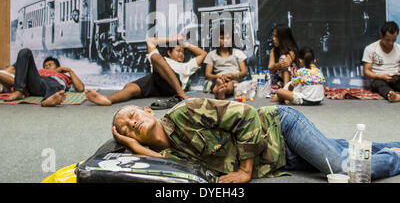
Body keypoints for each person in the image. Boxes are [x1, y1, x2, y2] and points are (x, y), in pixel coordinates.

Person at [111, 98, 400, 183]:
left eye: (133, 113)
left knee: (345, 169)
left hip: (281, 128)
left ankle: (396, 158)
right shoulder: (169, 153)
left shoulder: (185, 112)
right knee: (344, 149)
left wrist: (245, 171)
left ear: (147, 110)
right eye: (126, 127)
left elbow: (247, 114)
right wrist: (137, 148)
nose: (132, 122)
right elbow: (174, 171)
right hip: (281, 158)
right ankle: (392, 147)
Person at [86, 34, 207, 108]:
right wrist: (173, 39)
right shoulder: (163, 60)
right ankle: (108, 99)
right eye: (178, 50)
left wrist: (184, 43)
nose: (181, 54)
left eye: (183, 51)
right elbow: (150, 41)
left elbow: (203, 54)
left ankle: (181, 94)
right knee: (130, 87)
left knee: (155, 57)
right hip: (155, 81)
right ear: (169, 52)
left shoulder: (187, 66)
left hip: (174, 86)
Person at [2, 48, 85, 107]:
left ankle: (47, 100)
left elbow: (81, 88)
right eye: (45, 65)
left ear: (58, 67)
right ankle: (19, 91)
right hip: (37, 82)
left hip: (52, 81)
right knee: (25, 51)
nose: (47, 67)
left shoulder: (60, 76)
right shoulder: (40, 71)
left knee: (53, 84)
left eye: (50, 65)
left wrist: (69, 71)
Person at [204, 25, 247, 100]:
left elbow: (244, 72)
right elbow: (207, 75)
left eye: (228, 38)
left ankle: (220, 91)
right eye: (221, 38)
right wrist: (220, 76)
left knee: (232, 84)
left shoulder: (238, 53)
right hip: (219, 78)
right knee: (218, 82)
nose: (225, 41)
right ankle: (221, 88)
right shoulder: (211, 54)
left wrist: (233, 75)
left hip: (234, 79)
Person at [362, 21, 400, 102]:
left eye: (394, 40)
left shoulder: (399, 49)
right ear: (381, 35)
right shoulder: (370, 49)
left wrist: (398, 75)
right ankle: (391, 95)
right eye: (388, 40)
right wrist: (381, 76)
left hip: (396, 80)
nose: (391, 43)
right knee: (379, 84)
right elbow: (366, 71)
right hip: (379, 79)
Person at [268, 24, 299, 93]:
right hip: (278, 81)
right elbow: (270, 68)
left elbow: (286, 64)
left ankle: (285, 91)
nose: (273, 38)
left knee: (283, 58)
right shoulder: (273, 50)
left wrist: (277, 65)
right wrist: (278, 65)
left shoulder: (292, 51)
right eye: (273, 36)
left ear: (283, 38)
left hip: (291, 83)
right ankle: (282, 91)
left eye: (276, 36)